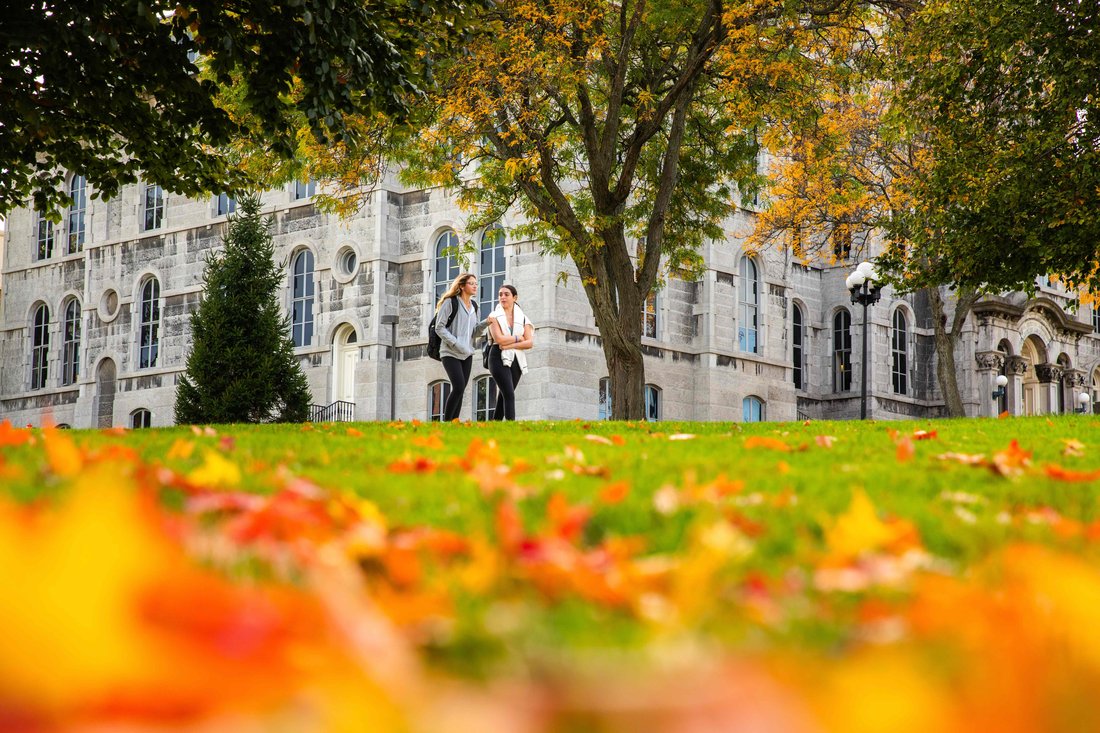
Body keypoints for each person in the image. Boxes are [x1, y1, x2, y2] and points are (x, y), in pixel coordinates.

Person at [435, 272, 488, 421]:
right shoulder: (450, 302)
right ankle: (446, 422)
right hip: (450, 352)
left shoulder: (474, 306)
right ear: (462, 286)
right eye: (472, 283)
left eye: (476, 283)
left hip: (467, 353)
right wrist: (455, 343)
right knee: (458, 386)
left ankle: (454, 422)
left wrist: (486, 323)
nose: (475, 286)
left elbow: (475, 332)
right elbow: (439, 328)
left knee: (461, 389)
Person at [486, 284, 534, 420]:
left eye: (506, 294)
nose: (502, 297)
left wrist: (509, 345)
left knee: (504, 394)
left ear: (515, 297)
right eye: (500, 294)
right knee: (508, 393)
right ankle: (511, 425)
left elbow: (529, 342)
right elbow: (499, 339)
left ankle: (495, 425)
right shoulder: (493, 316)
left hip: (516, 358)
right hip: (497, 356)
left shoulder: (523, 318)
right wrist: (519, 338)